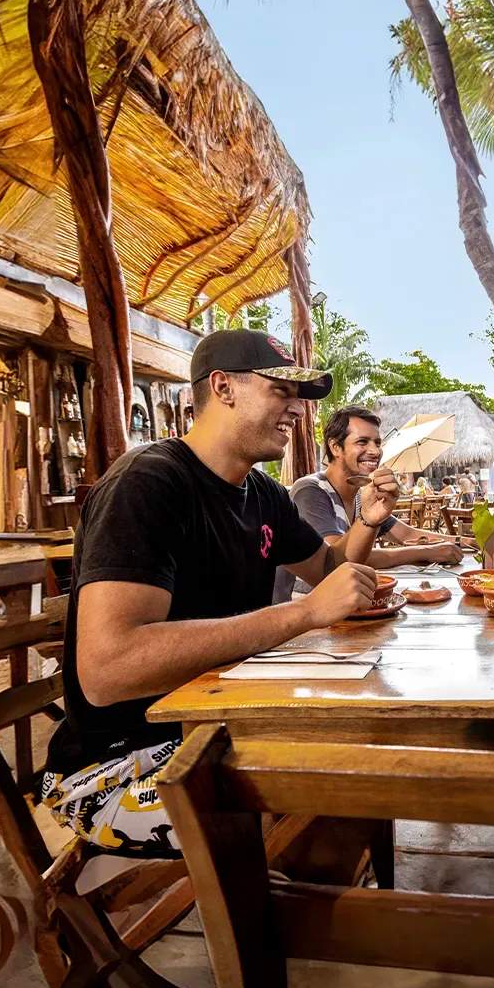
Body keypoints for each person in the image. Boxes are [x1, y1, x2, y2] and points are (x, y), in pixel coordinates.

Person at [40, 330, 397, 858]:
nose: (298, 409)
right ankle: (282, 926)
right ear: (223, 386)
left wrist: (366, 523)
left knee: (362, 754)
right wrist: (300, 614)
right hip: (117, 765)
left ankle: (304, 909)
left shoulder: (265, 494)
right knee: (336, 789)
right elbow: (107, 670)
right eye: (282, 390)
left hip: (217, 725)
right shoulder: (148, 483)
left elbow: (329, 569)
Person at [274, 405, 463, 601]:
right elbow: (336, 561)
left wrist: (463, 542)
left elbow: (405, 534)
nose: (375, 451)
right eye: (362, 442)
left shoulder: (359, 494)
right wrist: (425, 552)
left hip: (344, 604)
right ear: (335, 447)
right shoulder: (311, 491)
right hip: (304, 607)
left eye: (377, 442)